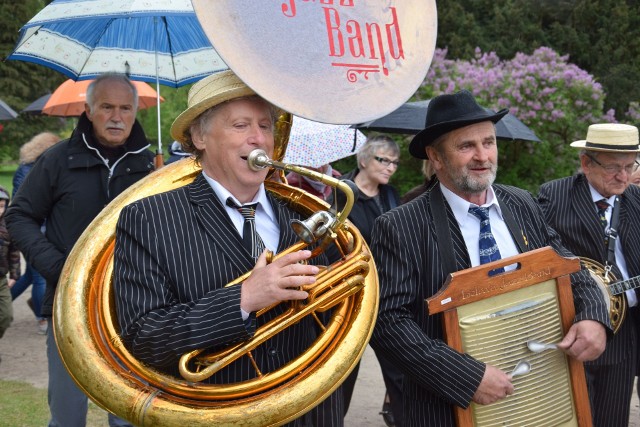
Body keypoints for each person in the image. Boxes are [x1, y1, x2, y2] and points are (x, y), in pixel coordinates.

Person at [112, 70, 343, 426]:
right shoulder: (149, 217)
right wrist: (243, 298)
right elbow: (144, 338)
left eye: (266, 126)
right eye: (240, 125)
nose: (259, 139)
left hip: (310, 415)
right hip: (215, 416)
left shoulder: (304, 214)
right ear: (199, 136)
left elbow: (339, 325)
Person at [368, 90, 610, 426]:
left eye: (489, 142)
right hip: (449, 407)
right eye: (466, 146)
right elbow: (387, 322)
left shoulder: (522, 203)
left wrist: (595, 316)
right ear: (436, 157)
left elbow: (568, 266)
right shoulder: (400, 225)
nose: (483, 156)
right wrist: (466, 376)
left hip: (539, 389)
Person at [5, 72, 155, 427]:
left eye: (125, 108)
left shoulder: (150, 168)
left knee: (128, 414)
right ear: (89, 110)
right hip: (68, 306)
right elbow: (19, 216)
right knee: (68, 415)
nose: (116, 116)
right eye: (106, 107)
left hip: (131, 308)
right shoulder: (57, 159)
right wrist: (58, 266)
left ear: (135, 112)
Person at [538, 123, 640, 427]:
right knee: (576, 418)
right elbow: (537, 255)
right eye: (612, 168)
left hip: (625, 332)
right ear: (586, 163)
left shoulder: (636, 200)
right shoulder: (554, 194)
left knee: (613, 418)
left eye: (629, 166)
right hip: (574, 326)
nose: (623, 177)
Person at [326, 134, 402, 425]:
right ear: (363, 160)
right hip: (353, 297)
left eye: (394, 162)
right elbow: (331, 250)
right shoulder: (340, 194)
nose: (390, 167)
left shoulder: (390, 194)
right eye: (384, 160)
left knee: (400, 367)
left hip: (388, 295)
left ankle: (398, 415)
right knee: (344, 371)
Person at [9, 132, 60, 335]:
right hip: (36, 230)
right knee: (40, 277)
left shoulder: (48, 167)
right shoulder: (28, 170)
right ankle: (42, 319)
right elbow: (26, 202)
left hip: (47, 226)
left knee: (30, 276)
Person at [0, 186, 20, 343]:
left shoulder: (7, 226)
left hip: (1, 280)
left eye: (1, 206)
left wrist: (14, 275)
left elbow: (14, 251)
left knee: (6, 316)